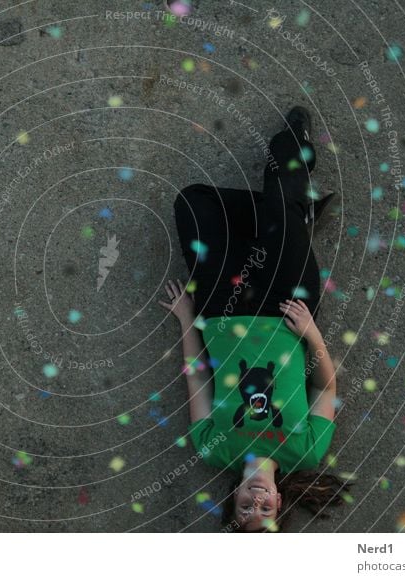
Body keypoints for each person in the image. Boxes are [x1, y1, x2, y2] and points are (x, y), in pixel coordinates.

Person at [159, 107, 349, 532]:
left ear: (233, 501)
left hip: (222, 307)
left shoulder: (212, 449)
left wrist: (187, 318)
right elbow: (325, 385)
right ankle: (288, 210)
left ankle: (288, 220)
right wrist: (311, 333)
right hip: (288, 305)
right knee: (284, 174)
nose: (256, 504)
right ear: (280, 502)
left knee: (193, 202)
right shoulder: (306, 451)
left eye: (245, 512)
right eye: (266, 512)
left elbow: (196, 377)